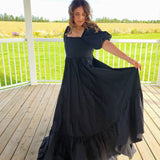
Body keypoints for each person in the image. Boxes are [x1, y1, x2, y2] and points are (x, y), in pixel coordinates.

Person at [37, 0, 144, 159]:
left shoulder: (89, 31)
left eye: (83, 14)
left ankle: (89, 149)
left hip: (87, 76)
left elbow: (107, 45)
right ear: (72, 14)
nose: (80, 17)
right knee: (70, 110)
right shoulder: (68, 30)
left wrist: (130, 60)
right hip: (71, 77)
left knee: (87, 111)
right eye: (77, 14)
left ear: (87, 14)